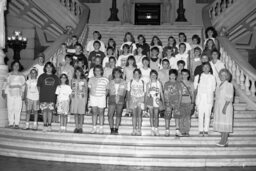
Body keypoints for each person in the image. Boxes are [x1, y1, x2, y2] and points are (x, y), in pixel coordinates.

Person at [194, 62, 216, 136]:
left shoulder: (212, 77)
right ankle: (200, 130)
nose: (206, 68)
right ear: (202, 68)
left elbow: (213, 89)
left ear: (210, 68)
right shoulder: (198, 76)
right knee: (200, 115)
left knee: (207, 115)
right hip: (200, 98)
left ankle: (206, 130)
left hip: (208, 98)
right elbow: (195, 88)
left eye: (207, 67)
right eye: (204, 67)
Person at [2, 60, 26, 128]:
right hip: (10, 93)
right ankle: (11, 123)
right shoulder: (8, 75)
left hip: (19, 94)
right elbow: (4, 84)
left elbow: (23, 86)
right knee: (10, 108)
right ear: (12, 66)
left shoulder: (22, 75)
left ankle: (17, 123)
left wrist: (23, 93)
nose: (16, 66)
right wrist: (3, 91)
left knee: (18, 108)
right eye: (15, 65)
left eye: (17, 65)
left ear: (19, 67)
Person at [214, 69, 234, 147]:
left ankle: (223, 141)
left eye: (224, 75)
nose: (222, 76)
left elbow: (229, 97)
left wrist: (225, 108)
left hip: (225, 106)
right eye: (221, 75)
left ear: (227, 76)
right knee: (221, 124)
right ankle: (225, 140)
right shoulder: (219, 85)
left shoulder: (229, 85)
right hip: (218, 106)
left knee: (225, 124)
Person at [37, 62, 60, 132]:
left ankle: (49, 125)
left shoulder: (55, 77)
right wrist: (40, 94)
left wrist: (56, 97)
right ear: (45, 68)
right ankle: (44, 125)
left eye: (50, 67)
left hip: (52, 97)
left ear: (52, 68)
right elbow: (38, 86)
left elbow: (58, 88)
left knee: (50, 111)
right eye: (47, 67)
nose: (49, 68)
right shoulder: (41, 76)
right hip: (43, 96)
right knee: (44, 111)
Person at [88, 65, 109, 134]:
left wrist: (104, 95)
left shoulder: (105, 79)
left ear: (101, 71)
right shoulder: (91, 79)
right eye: (96, 70)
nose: (97, 72)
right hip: (93, 97)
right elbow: (89, 88)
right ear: (94, 71)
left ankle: (101, 127)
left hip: (101, 97)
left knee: (101, 112)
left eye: (99, 70)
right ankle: (94, 127)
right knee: (94, 112)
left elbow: (108, 89)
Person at [108, 67, 127, 134]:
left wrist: (120, 98)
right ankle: (111, 128)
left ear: (120, 74)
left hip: (120, 98)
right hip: (112, 98)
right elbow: (108, 91)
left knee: (118, 114)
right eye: (115, 73)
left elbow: (124, 92)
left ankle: (116, 128)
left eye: (118, 73)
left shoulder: (124, 82)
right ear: (113, 74)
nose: (116, 74)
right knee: (110, 114)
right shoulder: (110, 82)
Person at [164, 69, 182, 137]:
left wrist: (179, 102)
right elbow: (165, 93)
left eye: (174, 75)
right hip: (168, 102)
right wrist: (166, 102)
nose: (172, 76)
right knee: (167, 116)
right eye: (171, 75)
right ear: (169, 76)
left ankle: (177, 130)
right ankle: (167, 130)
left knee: (177, 116)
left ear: (176, 76)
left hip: (176, 102)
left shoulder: (178, 83)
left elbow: (180, 94)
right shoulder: (166, 83)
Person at [145, 70, 164, 136]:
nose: (153, 76)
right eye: (152, 75)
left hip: (157, 100)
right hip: (150, 99)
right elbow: (147, 94)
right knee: (151, 115)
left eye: (154, 75)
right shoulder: (148, 84)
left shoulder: (159, 83)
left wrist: (163, 102)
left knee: (156, 115)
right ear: (150, 76)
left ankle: (156, 128)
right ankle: (152, 128)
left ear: (156, 76)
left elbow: (161, 93)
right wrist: (145, 103)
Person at [127, 69, 146, 136]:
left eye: (137, 74)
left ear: (140, 75)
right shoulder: (131, 82)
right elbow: (128, 93)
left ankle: (139, 129)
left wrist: (144, 102)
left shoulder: (143, 82)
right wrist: (128, 103)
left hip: (141, 99)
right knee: (134, 115)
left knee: (139, 115)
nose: (136, 75)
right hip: (133, 99)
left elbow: (145, 93)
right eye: (134, 73)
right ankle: (134, 129)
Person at [70, 67, 88, 133]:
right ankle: (76, 127)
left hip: (82, 98)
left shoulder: (84, 80)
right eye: (76, 72)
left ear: (81, 72)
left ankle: (80, 127)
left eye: (79, 72)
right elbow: (71, 89)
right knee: (75, 113)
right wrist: (71, 98)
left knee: (81, 113)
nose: (77, 73)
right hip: (74, 98)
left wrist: (86, 99)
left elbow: (86, 90)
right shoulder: (73, 80)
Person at [179, 69, 195, 136]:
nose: (184, 76)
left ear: (188, 75)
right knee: (182, 117)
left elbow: (192, 94)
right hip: (181, 101)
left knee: (187, 117)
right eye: (183, 74)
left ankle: (187, 130)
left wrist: (193, 103)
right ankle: (182, 130)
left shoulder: (191, 83)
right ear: (181, 75)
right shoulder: (179, 83)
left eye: (186, 74)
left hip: (188, 101)